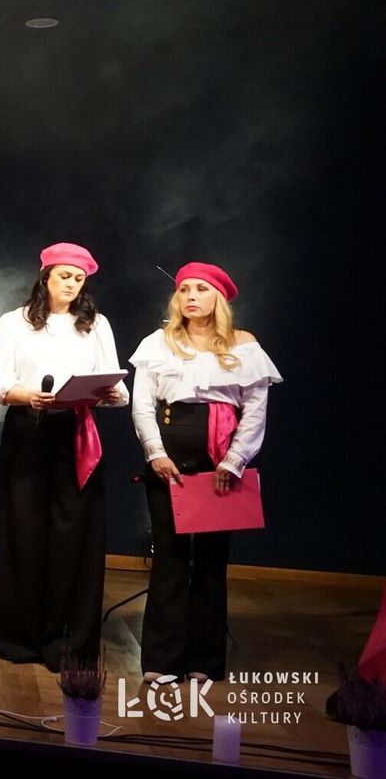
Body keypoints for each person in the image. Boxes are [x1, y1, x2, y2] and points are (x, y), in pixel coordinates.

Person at [130, 262, 281, 683]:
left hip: (220, 458)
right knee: (170, 557)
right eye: (184, 289)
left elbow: (255, 410)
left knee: (212, 561)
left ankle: (205, 659)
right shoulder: (159, 343)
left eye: (201, 289)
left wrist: (234, 461)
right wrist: (155, 452)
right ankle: (162, 659)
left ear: (219, 298)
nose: (191, 296)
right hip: (170, 456)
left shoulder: (244, 345)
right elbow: (142, 404)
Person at [0, 242, 128, 671]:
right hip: (28, 428)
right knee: (24, 531)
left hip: (77, 432)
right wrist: (26, 395)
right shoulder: (14, 322)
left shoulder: (96, 324)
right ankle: (20, 638)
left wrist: (110, 394)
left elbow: (117, 385)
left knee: (73, 535)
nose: (72, 284)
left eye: (79, 279)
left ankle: (65, 641)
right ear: (45, 276)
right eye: (65, 276)